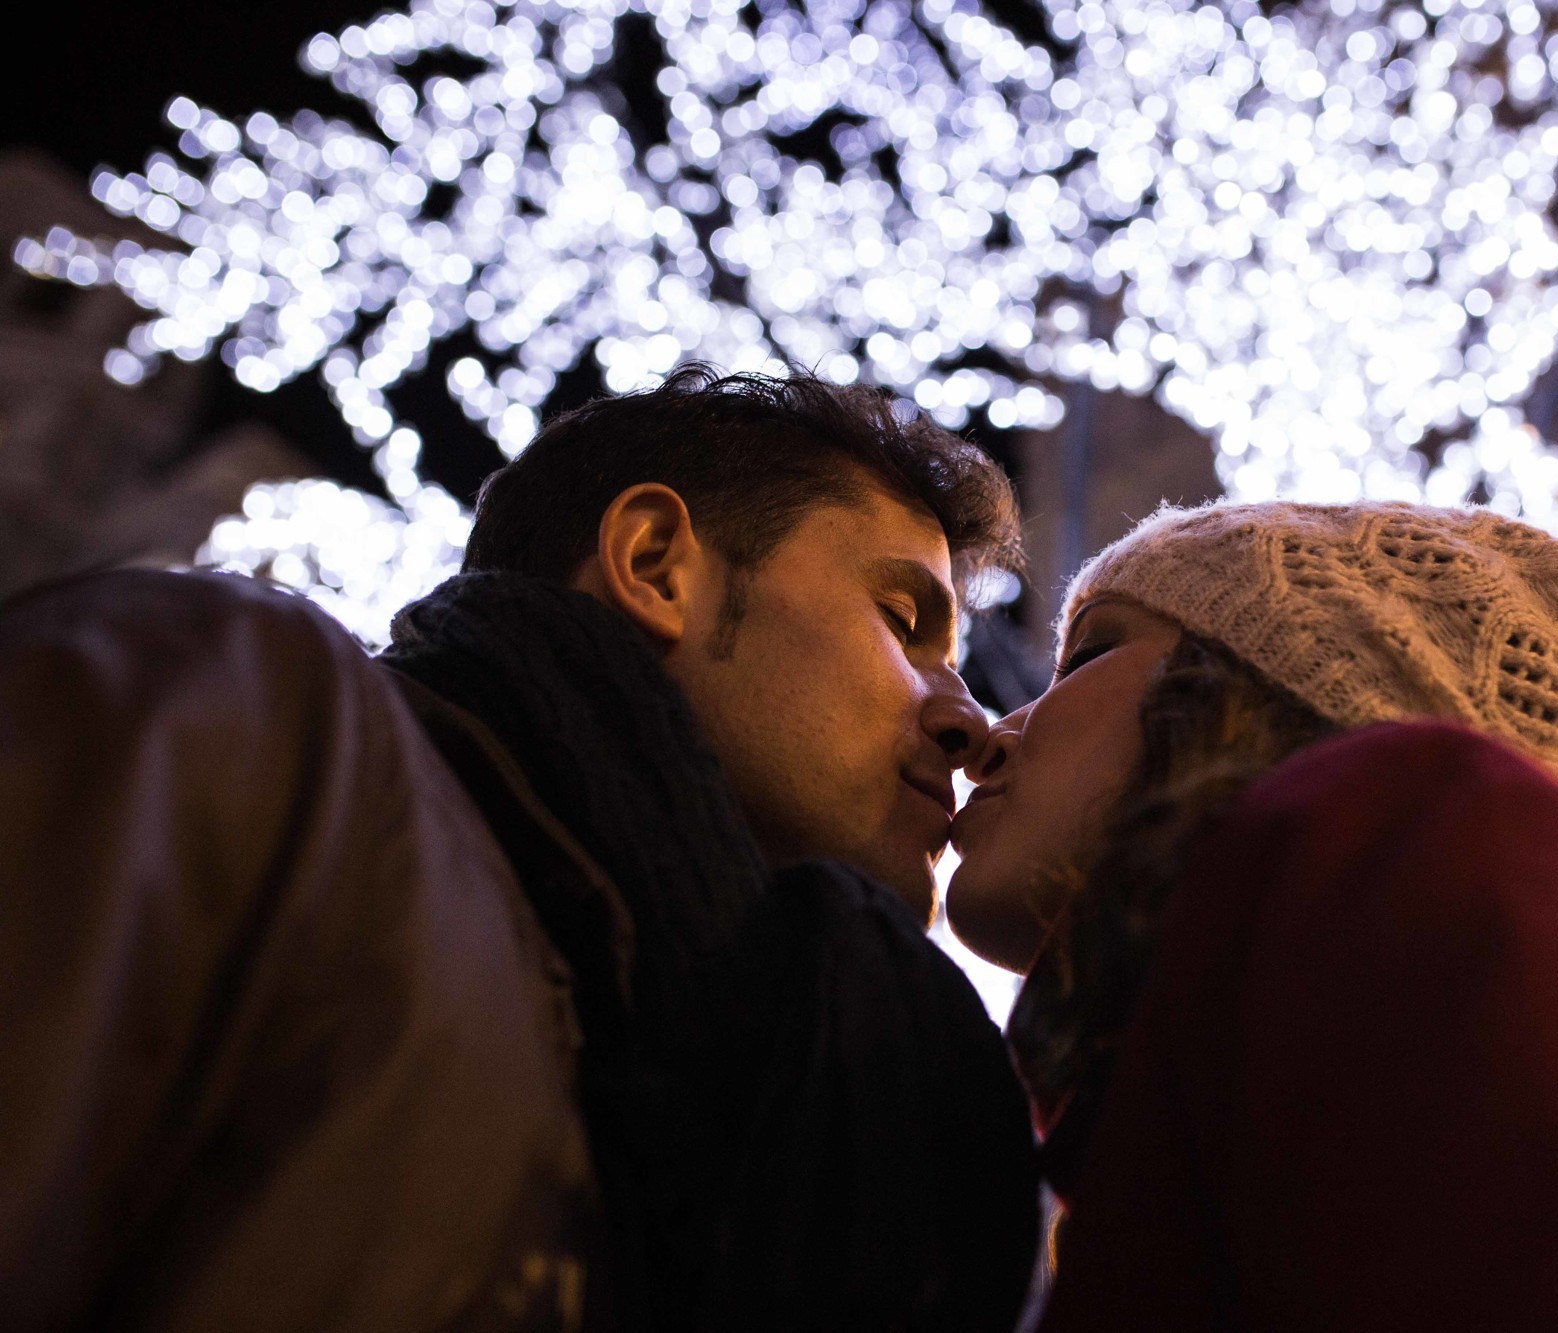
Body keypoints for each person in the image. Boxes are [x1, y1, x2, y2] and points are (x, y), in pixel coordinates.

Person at [0, 366, 1040, 1331]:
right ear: (652, 565)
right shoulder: (249, 724)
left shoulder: (772, 1075)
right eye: (902, 622)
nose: (970, 722)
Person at [946, 500, 1558, 1331]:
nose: (991, 735)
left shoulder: (1426, 854)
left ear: (1254, 686)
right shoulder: (1203, 1052)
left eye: (1091, 655)